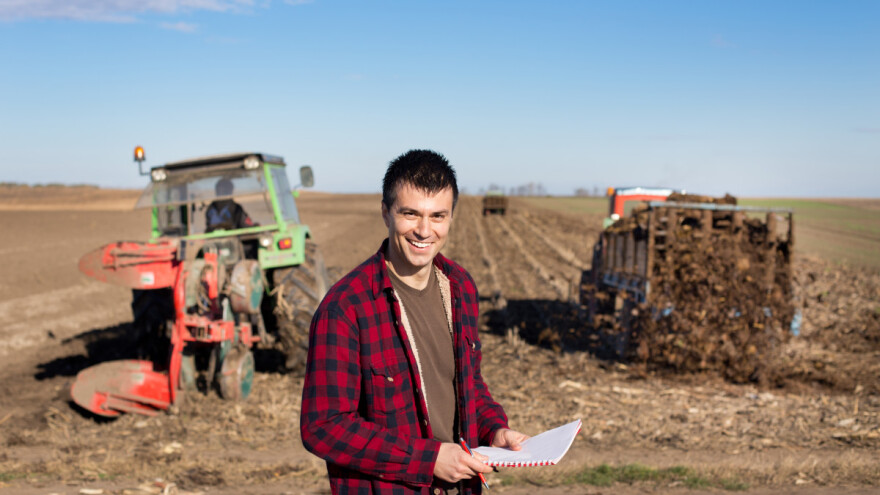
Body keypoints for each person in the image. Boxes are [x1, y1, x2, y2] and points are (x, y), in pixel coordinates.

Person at [300, 149, 528, 494]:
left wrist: (494, 429)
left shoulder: (461, 288)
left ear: (451, 217)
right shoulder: (346, 308)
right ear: (386, 213)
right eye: (410, 214)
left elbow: (468, 385)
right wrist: (429, 459)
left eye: (438, 216)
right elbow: (324, 427)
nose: (424, 230)